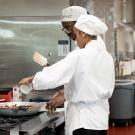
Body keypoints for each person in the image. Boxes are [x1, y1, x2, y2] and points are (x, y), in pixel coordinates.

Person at [19, 14, 115, 135]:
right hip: (99, 121)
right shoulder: (107, 57)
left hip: (83, 121)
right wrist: (66, 92)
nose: (75, 40)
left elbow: (54, 75)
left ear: (83, 33)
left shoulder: (80, 56)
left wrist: (32, 81)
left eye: (76, 34)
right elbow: (87, 82)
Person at [46, 6, 88, 112]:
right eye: (64, 28)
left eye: (69, 28)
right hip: (80, 116)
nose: (67, 32)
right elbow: (80, 78)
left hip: (88, 119)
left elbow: (92, 84)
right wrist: (65, 91)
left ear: (80, 26)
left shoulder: (92, 48)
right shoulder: (80, 44)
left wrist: (66, 96)